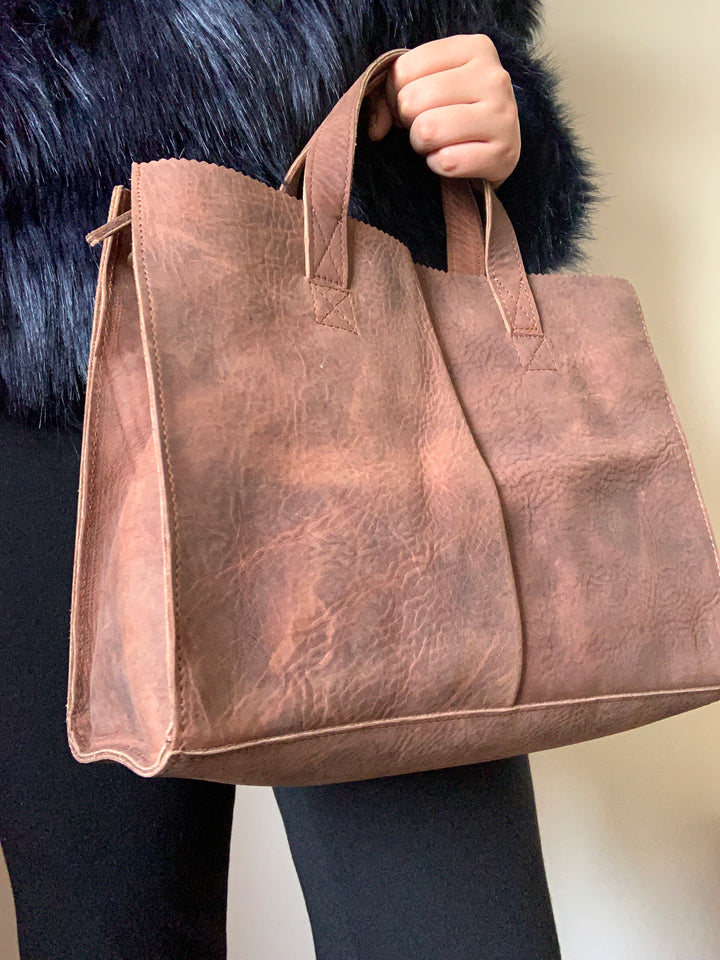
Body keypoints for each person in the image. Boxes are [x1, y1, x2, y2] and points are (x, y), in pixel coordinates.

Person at [0, 2, 601, 957]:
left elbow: (466, 65)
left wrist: (503, 119)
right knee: (110, 931)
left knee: (457, 932)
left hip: (354, 397)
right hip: (44, 411)